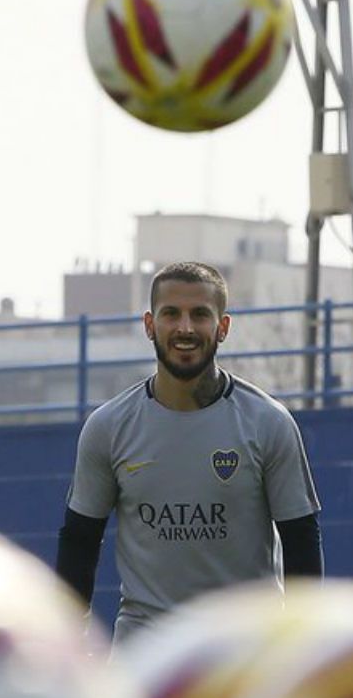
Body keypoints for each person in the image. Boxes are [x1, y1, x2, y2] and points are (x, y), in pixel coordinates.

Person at [55, 260, 323, 644]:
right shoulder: (108, 428)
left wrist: (304, 649)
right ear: (150, 325)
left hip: (243, 655)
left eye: (200, 315)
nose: (185, 328)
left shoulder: (268, 423)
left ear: (223, 327)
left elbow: (301, 544)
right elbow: (79, 542)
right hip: (145, 656)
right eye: (171, 314)